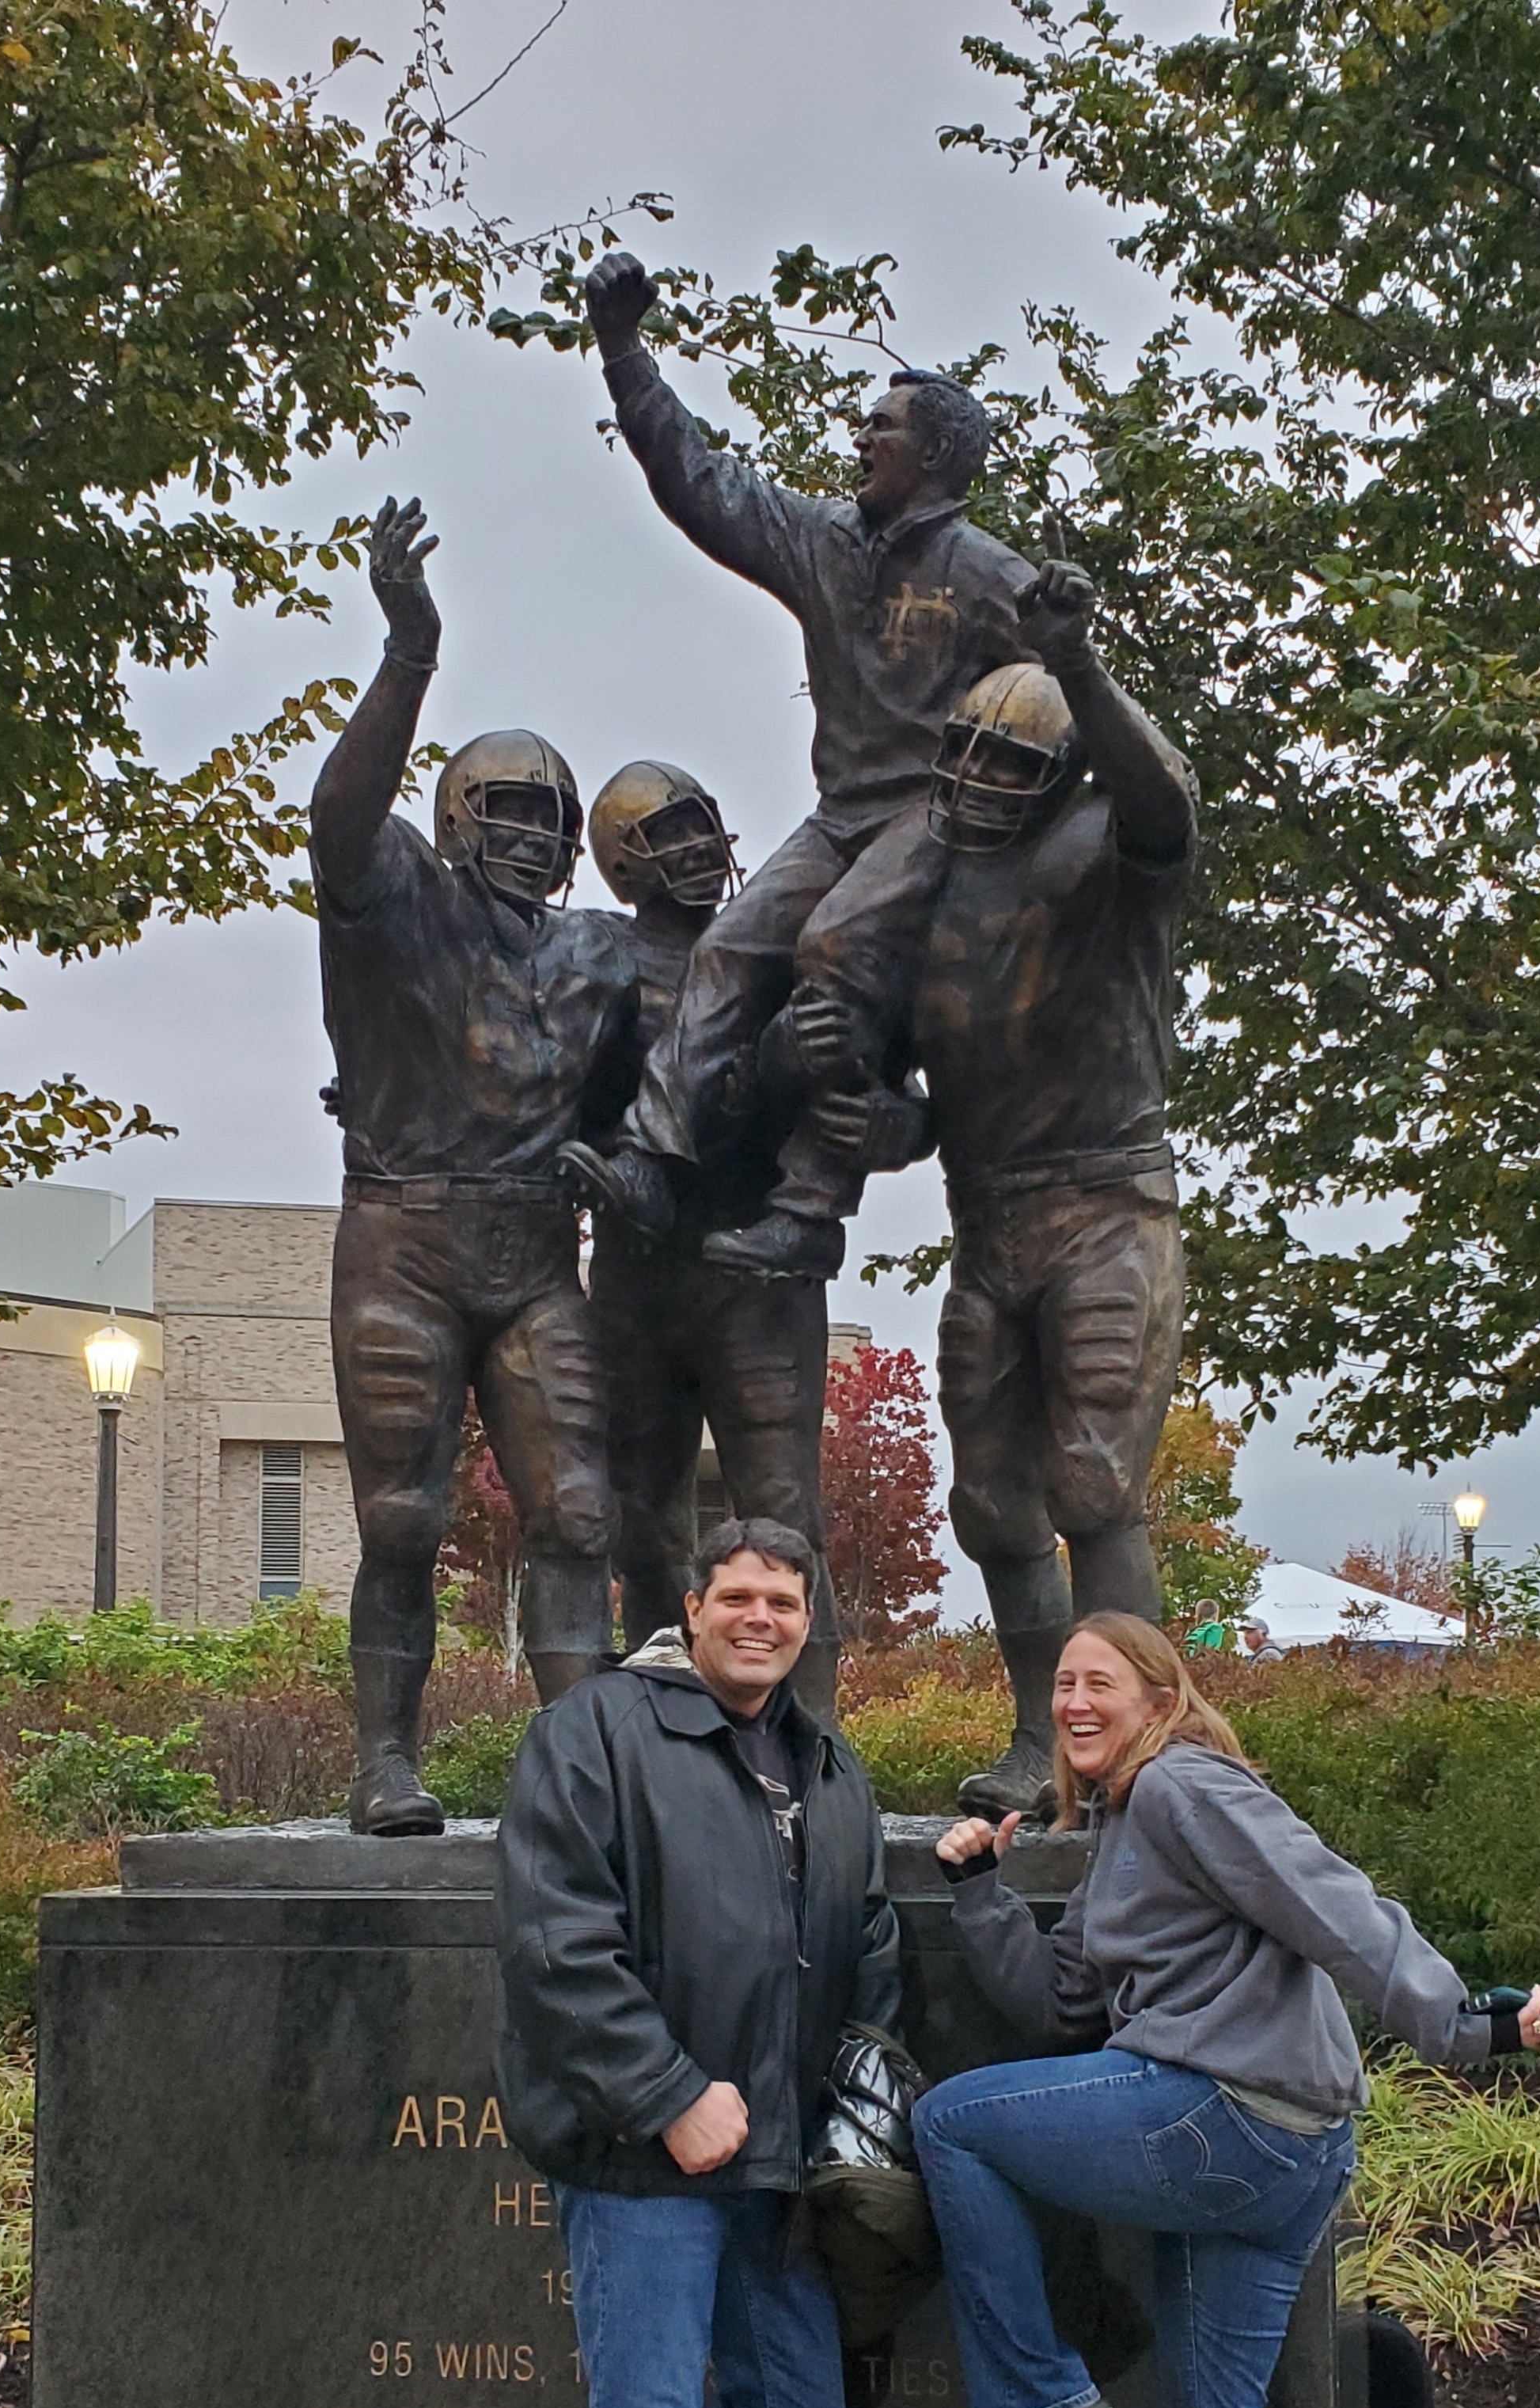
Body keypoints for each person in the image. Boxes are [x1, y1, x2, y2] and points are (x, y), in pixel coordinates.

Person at [923, 1612, 1540, 2408]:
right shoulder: (1118, 1826)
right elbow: (1063, 2009)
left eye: (1101, 1681)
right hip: (1277, 2157)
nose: (1076, 1702)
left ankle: (1037, 2400)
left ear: (1159, 1694)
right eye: (1062, 1683)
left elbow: (1330, 1899)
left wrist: (1461, 2023)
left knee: (951, 2122)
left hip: (1226, 2117)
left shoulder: (1183, 1785)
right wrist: (978, 1892)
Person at [487, 1518, 901, 2408]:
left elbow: (863, 1942)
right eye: (739, 1595)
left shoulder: (828, 1766)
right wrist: (667, 2094)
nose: (762, 1617)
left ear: (808, 1619)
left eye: (785, 1599)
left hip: (771, 2176)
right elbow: (554, 1942)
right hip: (643, 2168)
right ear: (691, 1606)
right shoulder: (597, 1733)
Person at [558, 247, 1037, 1282]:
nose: (861, 438)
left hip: (934, 814)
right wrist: (623, 352)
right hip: (840, 816)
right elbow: (699, 482)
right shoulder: (824, 539)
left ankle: (813, 1205)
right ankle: (651, 1160)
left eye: (883, 427)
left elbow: (1063, 710)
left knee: (834, 943)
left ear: (937, 455)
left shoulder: (992, 575)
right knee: (730, 948)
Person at [826, 560, 1197, 1817]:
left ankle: (1141, 1757)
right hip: (987, 1219)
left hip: (1107, 1208)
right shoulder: (924, 882)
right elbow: (912, 1101)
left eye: (1010, 763)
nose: (981, 781)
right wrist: (871, 1113)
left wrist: (1078, 664)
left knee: (1094, 1486)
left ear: (1058, 778)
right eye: (967, 754)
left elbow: (1164, 807)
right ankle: (1047, 1738)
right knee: (990, 1504)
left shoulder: (1104, 852)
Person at [310, 496, 637, 1832]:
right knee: (402, 1518)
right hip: (404, 1240)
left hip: (535, 1251)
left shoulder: (600, 951)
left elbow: (653, 1087)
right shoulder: (400, 898)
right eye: (507, 808)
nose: (535, 834)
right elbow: (339, 818)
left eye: (554, 817)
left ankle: (584, 1775)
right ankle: (386, 1761)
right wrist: (410, 656)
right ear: (454, 816)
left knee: (577, 1513)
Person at [583, 762, 920, 1715]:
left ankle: (811, 1749)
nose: (696, 849)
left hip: (759, 1276)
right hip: (638, 1274)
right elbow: (532, 1078)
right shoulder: (595, 957)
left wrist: (889, 1125)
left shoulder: (791, 951)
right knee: (639, 1520)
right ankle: (659, 1733)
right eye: (669, 835)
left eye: (703, 827)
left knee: (786, 1518)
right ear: (622, 861)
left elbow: (899, 1097)